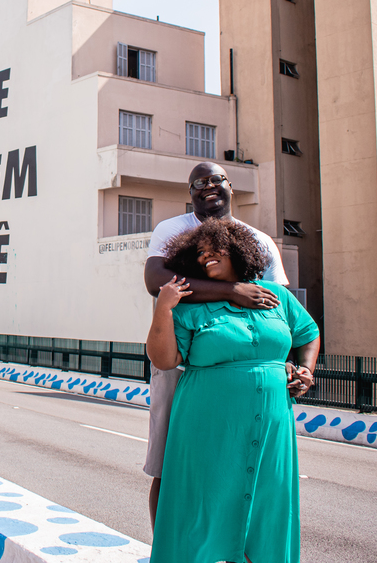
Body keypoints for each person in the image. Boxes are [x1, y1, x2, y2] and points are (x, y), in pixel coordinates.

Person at [147, 218, 319, 563]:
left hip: (272, 426)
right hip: (207, 424)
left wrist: (306, 370)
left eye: (216, 250)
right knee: (205, 500)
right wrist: (164, 308)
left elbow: (309, 333)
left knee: (267, 501)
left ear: (238, 252)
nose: (208, 257)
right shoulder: (188, 305)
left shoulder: (278, 296)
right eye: (201, 254)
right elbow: (164, 359)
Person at [142, 162, 290, 527]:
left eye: (215, 180)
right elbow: (155, 279)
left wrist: (289, 361)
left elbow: (282, 305)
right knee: (170, 465)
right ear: (189, 194)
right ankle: (168, 551)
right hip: (182, 361)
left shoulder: (259, 240)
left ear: (230, 187)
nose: (207, 186)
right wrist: (232, 290)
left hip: (243, 368)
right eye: (198, 183)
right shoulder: (174, 228)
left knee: (241, 467)